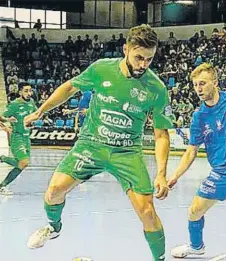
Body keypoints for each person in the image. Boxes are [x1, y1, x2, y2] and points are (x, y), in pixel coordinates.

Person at [25, 24, 173, 261]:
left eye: (149, 59)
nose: (143, 64)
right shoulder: (101, 69)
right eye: (139, 58)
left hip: (126, 152)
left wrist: (162, 174)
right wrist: (40, 111)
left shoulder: (156, 88)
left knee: (147, 212)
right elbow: (70, 87)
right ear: (125, 49)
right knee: (53, 192)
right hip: (91, 145)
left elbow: (161, 134)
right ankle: (54, 227)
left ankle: (160, 259)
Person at [168, 63, 226, 258]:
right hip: (222, 171)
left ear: (215, 83)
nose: (198, 89)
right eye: (195, 85)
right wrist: (175, 176)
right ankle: (196, 247)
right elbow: (191, 150)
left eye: (202, 83)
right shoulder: (199, 117)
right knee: (194, 211)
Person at [0, 83, 37, 195]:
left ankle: (2, 186)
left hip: (27, 137)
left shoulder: (32, 103)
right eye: (26, 91)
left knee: (23, 164)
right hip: (17, 137)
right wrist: (9, 119)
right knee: (24, 161)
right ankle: (2, 158)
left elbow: (35, 114)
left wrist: (33, 121)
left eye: (30, 91)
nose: (29, 93)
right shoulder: (14, 104)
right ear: (20, 92)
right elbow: (1, 118)